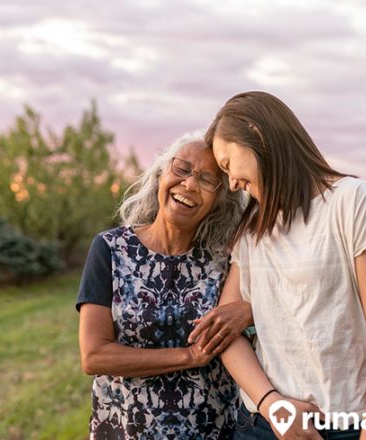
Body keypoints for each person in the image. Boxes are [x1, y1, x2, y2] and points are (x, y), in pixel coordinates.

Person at [189, 91, 366, 440]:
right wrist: (272, 406)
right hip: (263, 426)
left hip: (347, 427)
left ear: (256, 133)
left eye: (227, 164)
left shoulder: (352, 203)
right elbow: (226, 334)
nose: (231, 182)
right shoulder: (253, 229)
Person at [76, 131, 246, 439]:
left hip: (212, 429)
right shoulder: (110, 249)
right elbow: (94, 355)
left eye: (208, 180)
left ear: (220, 201)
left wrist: (248, 310)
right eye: (181, 169)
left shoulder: (228, 259)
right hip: (127, 429)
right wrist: (189, 356)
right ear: (160, 174)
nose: (190, 184)